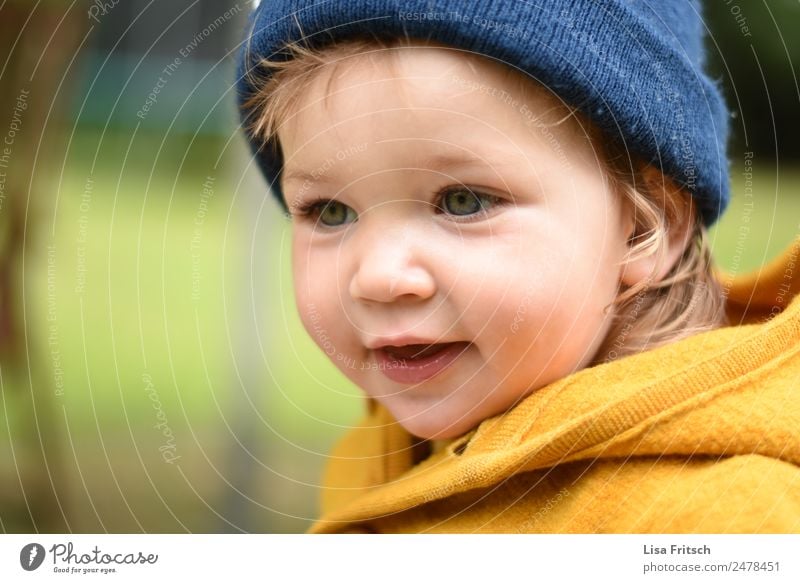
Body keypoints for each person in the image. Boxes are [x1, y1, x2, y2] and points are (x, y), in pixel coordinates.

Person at [236, 0, 800, 532]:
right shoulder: (377, 454)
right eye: (330, 211)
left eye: (464, 201)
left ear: (646, 227)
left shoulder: (724, 519)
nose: (379, 276)